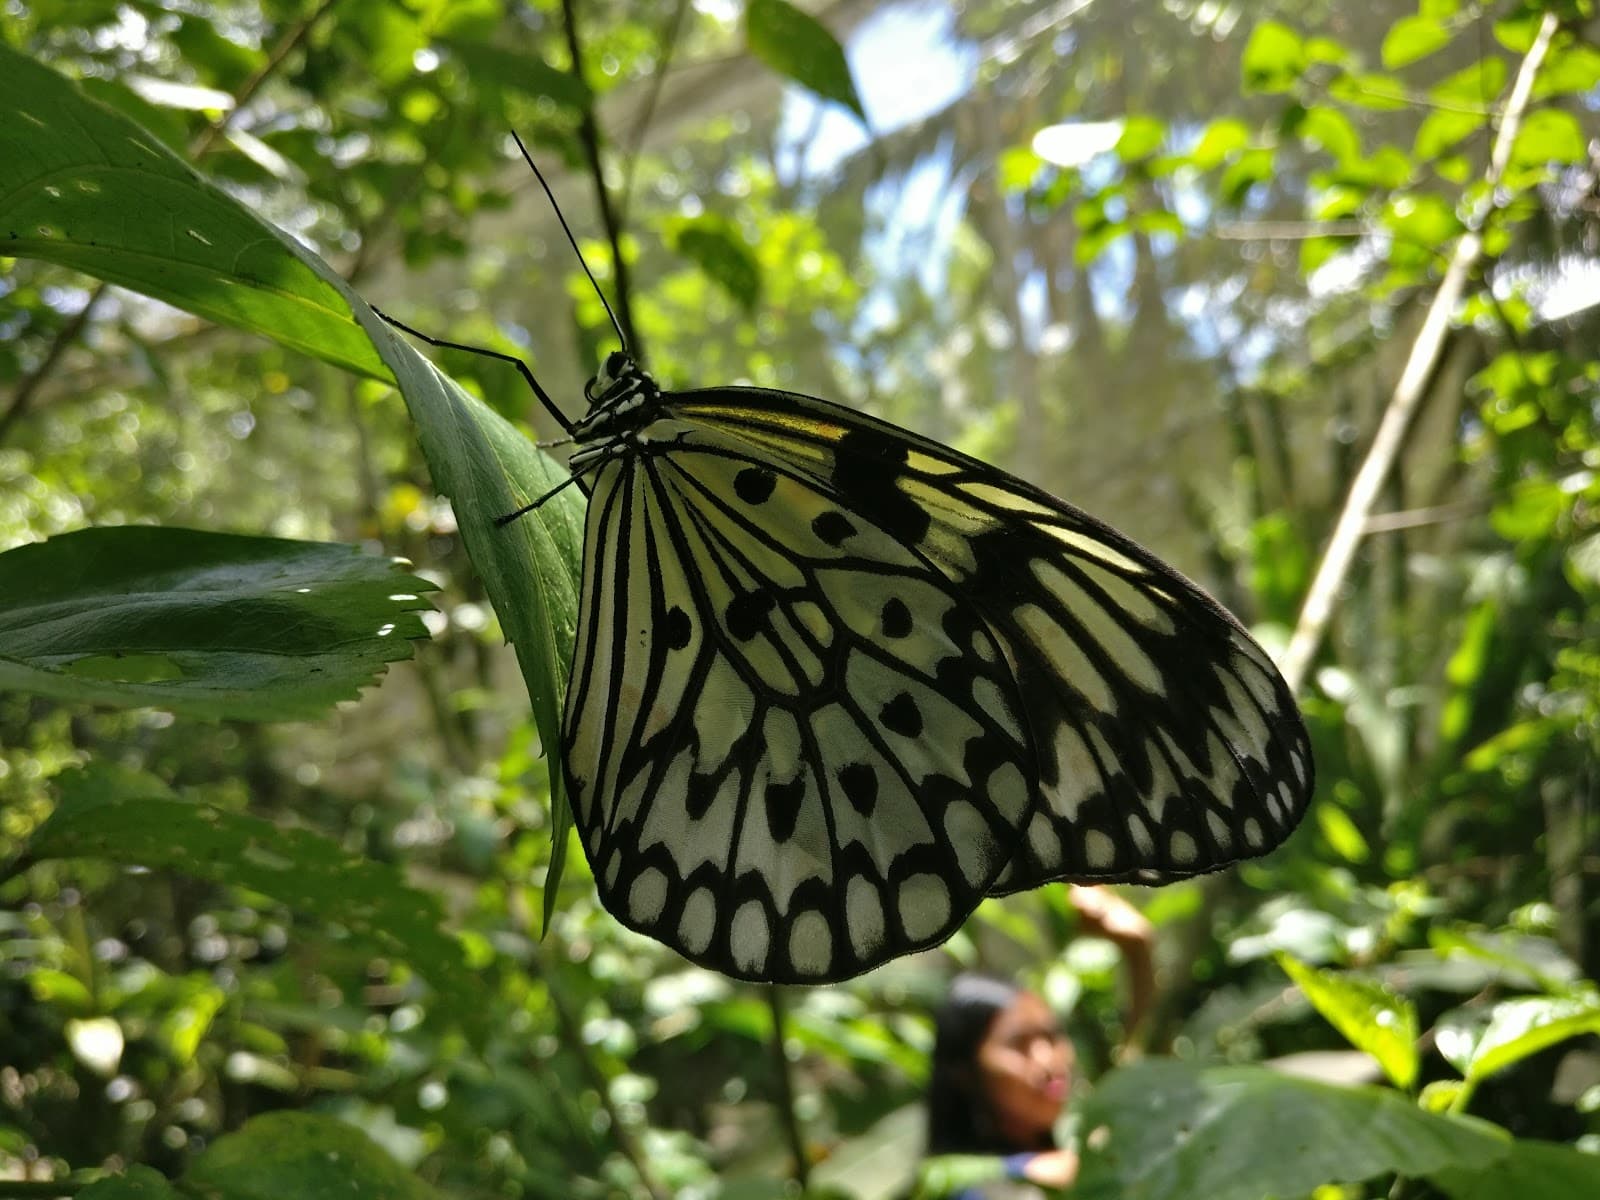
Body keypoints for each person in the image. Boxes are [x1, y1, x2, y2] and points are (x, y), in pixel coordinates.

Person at [917, 884, 1155, 1198]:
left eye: (1052, 1036)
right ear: (964, 1072)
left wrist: (1139, 948)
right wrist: (1139, 953)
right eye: (1018, 1044)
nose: (1047, 1061)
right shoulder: (968, 1185)